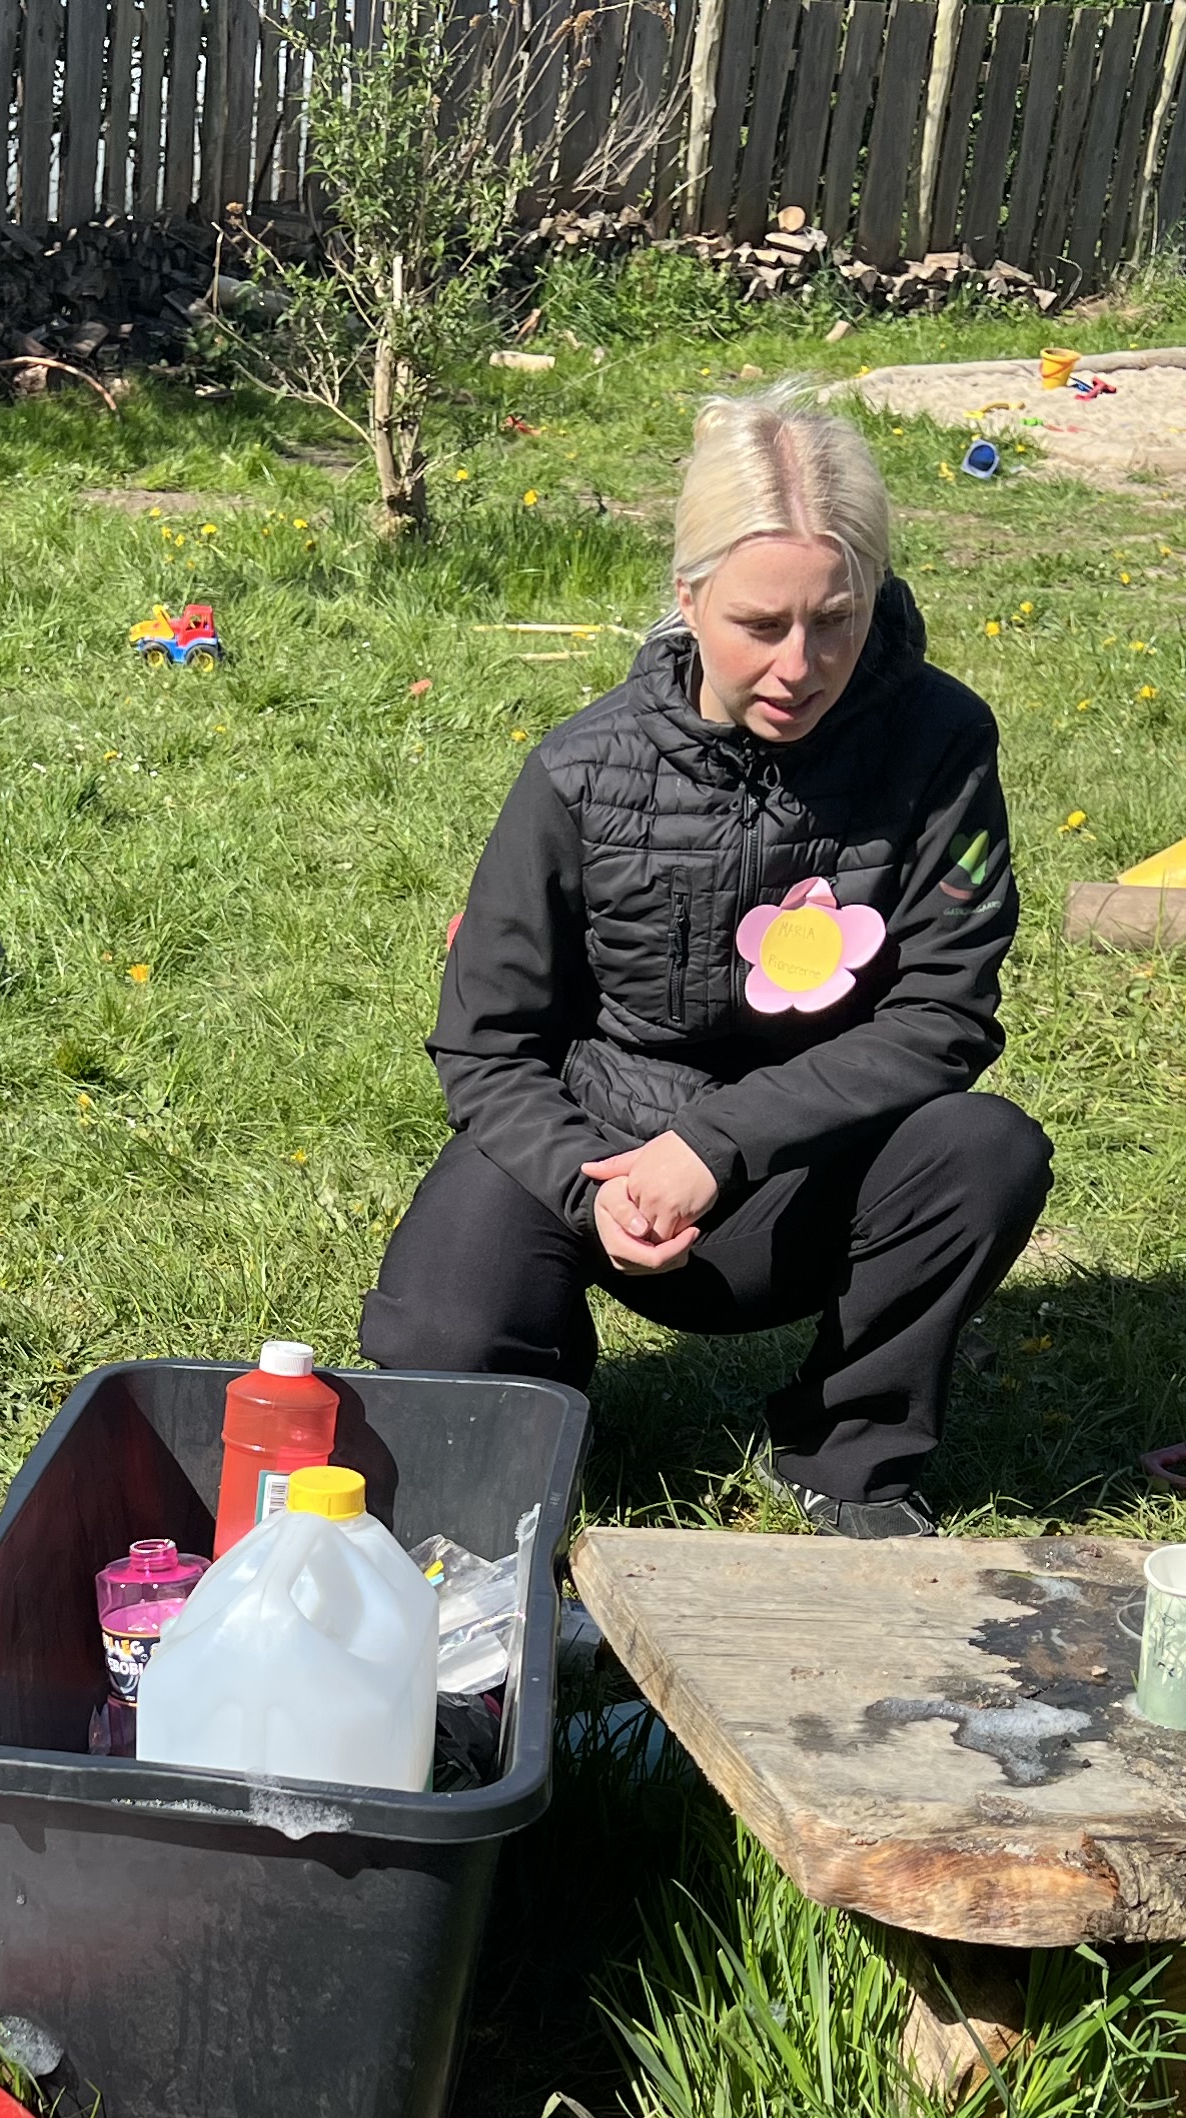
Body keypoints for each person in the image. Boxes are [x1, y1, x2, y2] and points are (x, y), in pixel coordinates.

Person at [357, 390, 1050, 1535]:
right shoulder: (580, 770)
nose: (800, 664)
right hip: (602, 1154)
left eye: (837, 620)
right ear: (688, 599)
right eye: (759, 624)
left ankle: (846, 1453)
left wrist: (716, 1146)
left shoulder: (942, 743)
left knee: (987, 1151)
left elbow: (946, 1013)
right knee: (441, 1333)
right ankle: (542, 1412)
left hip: (812, 1172)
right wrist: (595, 1183)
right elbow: (485, 1044)